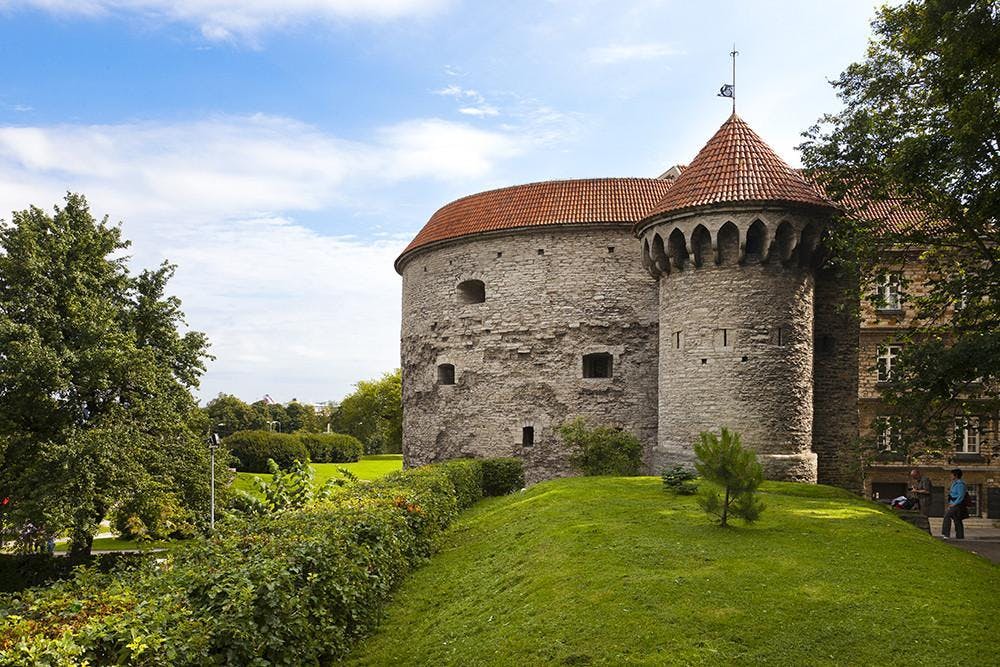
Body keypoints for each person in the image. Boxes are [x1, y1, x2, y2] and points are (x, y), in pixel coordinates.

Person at [941, 468, 967, 540]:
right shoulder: (954, 483)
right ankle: (960, 536)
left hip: (957, 505)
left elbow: (961, 496)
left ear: (955, 475)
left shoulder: (960, 484)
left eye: (951, 475)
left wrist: (954, 504)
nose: (950, 476)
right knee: (957, 519)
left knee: (947, 516)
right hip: (953, 504)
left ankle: (946, 534)